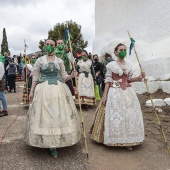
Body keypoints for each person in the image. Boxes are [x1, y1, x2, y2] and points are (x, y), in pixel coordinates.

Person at [25, 38, 81, 158]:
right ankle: (48, 142)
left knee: (58, 114)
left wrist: (72, 75)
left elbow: (64, 76)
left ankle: (57, 141)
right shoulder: (39, 60)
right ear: (45, 46)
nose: (49, 46)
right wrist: (32, 90)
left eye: (51, 45)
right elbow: (35, 76)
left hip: (58, 89)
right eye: (47, 44)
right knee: (45, 115)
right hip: (43, 90)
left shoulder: (59, 60)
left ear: (55, 47)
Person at [91, 43, 145, 150]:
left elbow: (129, 79)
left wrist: (139, 77)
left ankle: (129, 140)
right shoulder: (111, 65)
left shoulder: (129, 65)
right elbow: (108, 80)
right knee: (117, 114)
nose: (123, 51)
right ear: (116, 52)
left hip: (128, 92)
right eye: (121, 50)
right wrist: (105, 95)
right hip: (114, 92)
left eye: (124, 49)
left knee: (129, 114)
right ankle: (116, 138)